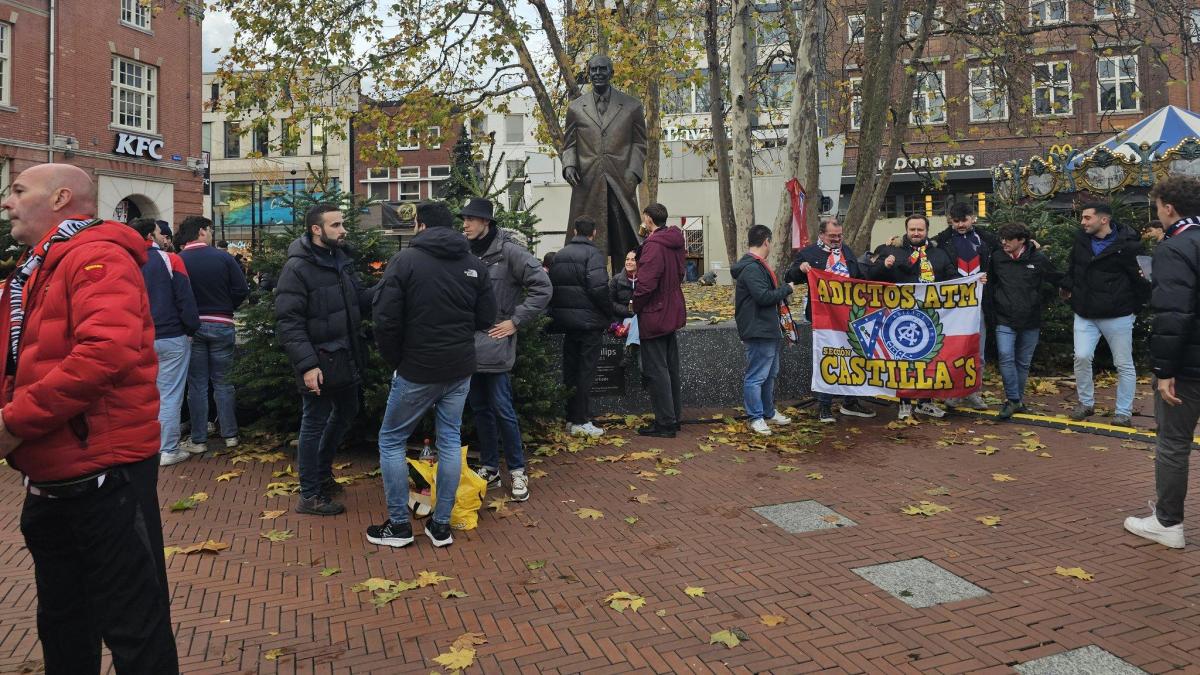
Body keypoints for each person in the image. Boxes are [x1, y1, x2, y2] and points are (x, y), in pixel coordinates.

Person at [0, 163, 178, 673]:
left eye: (17, 190)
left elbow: (105, 352)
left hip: (105, 476)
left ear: (59, 199)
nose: (7, 201)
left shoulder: (95, 257)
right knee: (62, 620)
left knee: (134, 626)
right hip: (51, 475)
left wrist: (14, 424)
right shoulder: (37, 269)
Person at [369, 201, 496, 548]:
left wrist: (396, 360)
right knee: (450, 442)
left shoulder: (406, 261)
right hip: (459, 368)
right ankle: (440, 526)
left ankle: (398, 525)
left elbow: (384, 318)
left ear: (420, 226)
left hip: (417, 368)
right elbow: (487, 318)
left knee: (391, 440)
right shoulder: (473, 264)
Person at [275, 204, 373, 516]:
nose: (343, 230)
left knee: (347, 410)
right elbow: (289, 321)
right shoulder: (297, 268)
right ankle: (309, 495)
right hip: (318, 362)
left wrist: (392, 283)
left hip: (344, 356)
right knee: (314, 421)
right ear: (317, 230)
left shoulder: (340, 261)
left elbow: (359, 302)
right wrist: (307, 365)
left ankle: (321, 473)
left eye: (342, 224)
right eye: (336, 225)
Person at [1123, 175, 1200, 549]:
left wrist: (1165, 371)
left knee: (1173, 443)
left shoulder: (1175, 248)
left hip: (1188, 365)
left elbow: (1174, 313)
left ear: (1168, 207)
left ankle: (1168, 523)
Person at [462, 197, 552, 502]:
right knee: (479, 408)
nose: (465, 224)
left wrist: (515, 321)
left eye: (471, 219)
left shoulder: (510, 252)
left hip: (497, 345)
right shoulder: (463, 252)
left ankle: (517, 471)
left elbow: (543, 287)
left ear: (485, 222)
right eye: (464, 219)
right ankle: (490, 466)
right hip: (467, 346)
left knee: (502, 408)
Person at [1059, 203, 1149, 427]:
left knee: (1124, 364)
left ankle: (1123, 412)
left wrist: (1134, 308)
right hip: (1085, 311)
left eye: (1087, 218)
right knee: (1081, 356)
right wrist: (1067, 286)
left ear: (1103, 220)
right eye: (1082, 218)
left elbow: (1141, 279)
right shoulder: (1081, 240)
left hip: (1118, 314)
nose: (1083, 222)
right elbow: (1074, 267)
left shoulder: (1128, 245)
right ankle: (1086, 403)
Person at [562, 54, 648, 271]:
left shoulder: (631, 106)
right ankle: (589, 284)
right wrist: (569, 164)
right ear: (588, 73)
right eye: (593, 70)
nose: (598, 74)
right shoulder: (575, 108)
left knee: (623, 238)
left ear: (612, 73)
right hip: (588, 180)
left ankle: (624, 285)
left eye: (602, 69)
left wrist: (634, 173)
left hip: (621, 179)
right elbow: (569, 143)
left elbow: (639, 143)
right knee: (587, 240)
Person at [870, 214, 960, 419]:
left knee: (929, 359)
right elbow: (871, 275)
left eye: (920, 230)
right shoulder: (891, 250)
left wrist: (974, 281)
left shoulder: (939, 253)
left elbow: (953, 278)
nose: (916, 233)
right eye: (913, 230)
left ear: (927, 230)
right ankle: (905, 403)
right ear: (906, 230)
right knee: (904, 360)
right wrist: (886, 266)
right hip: (901, 317)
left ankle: (925, 402)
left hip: (931, 316)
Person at [787, 216, 876, 423]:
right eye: (832, 236)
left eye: (839, 235)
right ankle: (824, 406)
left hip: (848, 316)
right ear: (821, 234)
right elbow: (789, 277)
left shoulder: (847, 251)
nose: (837, 239)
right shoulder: (808, 253)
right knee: (826, 357)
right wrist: (800, 269)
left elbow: (859, 278)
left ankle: (850, 402)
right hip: (822, 319)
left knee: (852, 357)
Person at [129, 218, 200, 467]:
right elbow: (185, 298)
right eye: (161, 232)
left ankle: (143, 445)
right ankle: (168, 449)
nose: (165, 236)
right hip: (171, 335)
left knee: (143, 394)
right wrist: (191, 328)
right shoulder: (171, 260)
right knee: (170, 394)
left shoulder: (125, 261)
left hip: (137, 338)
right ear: (151, 235)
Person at [177, 216, 249, 453]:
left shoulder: (178, 260)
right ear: (201, 232)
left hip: (193, 327)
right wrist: (226, 307)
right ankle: (230, 434)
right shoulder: (223, 257)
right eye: (209, 230)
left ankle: (198, 439)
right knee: (224, 382)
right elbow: (241, 289)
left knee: (196, 384)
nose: (210, 234)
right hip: (222, 323)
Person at [987, 222, 1060, 420]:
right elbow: (991, 283)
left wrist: (1066, 291)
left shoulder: (1038, 258)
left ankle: (1017, 401)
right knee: (1005, 356)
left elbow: (1055, 279)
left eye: (1008, 239)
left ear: (1022, 240)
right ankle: (1012, 399)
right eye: (1002, 238)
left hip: (1031, 318)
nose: (1004, 243)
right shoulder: (997, 257)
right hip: (1004, 317)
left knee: (1023, 362)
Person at [548, 216, 611, 438]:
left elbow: (552, 287)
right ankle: (581, 419)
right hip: (589, 323)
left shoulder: (561, 255)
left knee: (571, 371)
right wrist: (608, 311)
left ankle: (570, 417)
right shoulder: (593, 254)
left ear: (574, 231)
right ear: (593, 233)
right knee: (586, 372)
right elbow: (598, 288)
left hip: (567, 323)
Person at [934, 202, 998, 410]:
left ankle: (973, 392)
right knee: (952, 349)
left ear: (973, 218)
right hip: (952, 305)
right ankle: (954, 392)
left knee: (977, 350)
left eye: (964, 220)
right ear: (950, 221)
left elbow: (1011, 246)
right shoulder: (941, 241)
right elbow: (916, 244)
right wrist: (893, 244)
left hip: (979, 303)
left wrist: (1030, 243)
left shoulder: (987, 239)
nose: (961, 224)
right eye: (956, 221)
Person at [732, 225, 795, 436]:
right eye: (771, 242)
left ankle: (767, 412)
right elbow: (763, 297)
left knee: (769, 374)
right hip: (759, 329)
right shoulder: (752, 268)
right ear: (766, 241)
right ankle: (756, 417)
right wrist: (786, 289)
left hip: (766, 328)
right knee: (757, 376)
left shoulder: (753, 266)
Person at [632, 202, 687, 438]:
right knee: (670, 367)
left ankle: (665, 422)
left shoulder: (654, 245)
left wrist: (635, 305)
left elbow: (646, 283)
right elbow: (680, 273)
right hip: (672, 310)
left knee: (657, 370)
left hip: (655, 313)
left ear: (648, 218)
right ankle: (673, 417)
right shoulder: (674, 240)